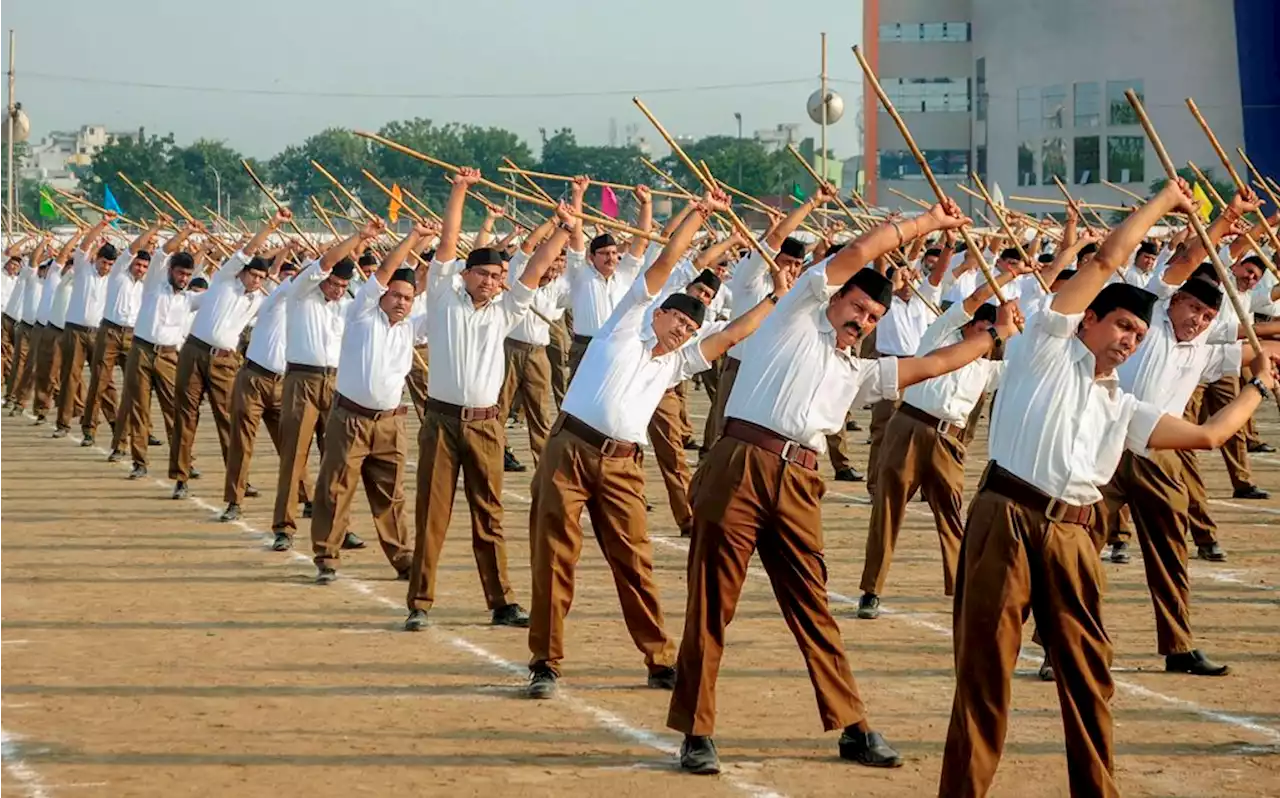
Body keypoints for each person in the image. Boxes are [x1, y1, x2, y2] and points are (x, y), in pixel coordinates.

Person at [938, 179, 1280, 798]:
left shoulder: (1122, 404)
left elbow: (1206, 436)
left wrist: (1260, 385)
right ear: (1088, 318)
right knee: (986, 674)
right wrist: (1168, 202)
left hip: (1074, 535)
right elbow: (1106, 261)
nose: (1128, 340)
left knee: (1090, 675)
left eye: (1137, 336)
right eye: (1121, 325)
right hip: (1007, 516)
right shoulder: (1046, 346)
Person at [668, 198, 1016, 775]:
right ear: (833, 298)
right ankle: (696, 731)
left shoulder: (857, 370)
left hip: (801, 484)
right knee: (712, 603)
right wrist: (926, 224)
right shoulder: (797, 314)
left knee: (814, 608)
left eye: (873, 317)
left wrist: (991, 337)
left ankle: (853, 726)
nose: (863, 320)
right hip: (740, 463)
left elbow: (928, 366)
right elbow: (859, 252)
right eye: (857, 307)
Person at [526, 189, 789, 698]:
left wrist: (776, 297)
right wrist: (699, 214)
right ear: (661, 313)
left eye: (691, 329)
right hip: (570, 450)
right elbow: (667, 258)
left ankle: (659, 657)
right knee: (555, 556)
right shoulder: (624, 326)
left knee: (635, 563)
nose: (682, 332)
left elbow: (732, 334)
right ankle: (546, 660)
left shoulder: (676, 361)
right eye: (678, 322)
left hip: (623, 466)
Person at [402, 168, 556, 630]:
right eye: (485, 274)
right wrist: (459, 190)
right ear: (465, 276)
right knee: (433, 512)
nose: (493, 281)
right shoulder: (444, 298)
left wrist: (563, 225)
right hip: (442, 422)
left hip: (486, 423)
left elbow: (534, 269)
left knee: (489, 513)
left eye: (497, 275)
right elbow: (447, 243)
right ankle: (420, 602)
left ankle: (502, 601)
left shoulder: (507, 310)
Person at [855, 262, 1025, 619]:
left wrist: (1020, 325)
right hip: (909, 427)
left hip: (949, 442)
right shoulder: (940, 335)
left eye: (993, 332)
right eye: (983, 327)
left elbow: (1030, 360)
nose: (988, 336)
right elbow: (974, 298)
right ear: (972, 326)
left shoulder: (989, 369)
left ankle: (962, 587)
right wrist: (1008, 276)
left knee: (951, 515)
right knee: (888, 508)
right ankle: (871, 589)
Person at [311, 222, 438, 582]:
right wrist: (413, 237)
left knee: (391, 495)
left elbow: (432, 285)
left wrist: (438, 246)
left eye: (407, 298)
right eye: (396, 295)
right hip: (350, 417)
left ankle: (402, 557)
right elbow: (384, 271)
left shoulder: (412, 326)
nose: (401, 302)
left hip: (391, 422)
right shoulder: (362, 313)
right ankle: (327, 557)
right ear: (381, 295)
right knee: (336, 489)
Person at [168, 212, 288, 499]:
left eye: (262, 277)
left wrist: (283, 254)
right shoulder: (224, 279)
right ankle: (181, 478)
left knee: (229, 420)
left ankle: (239, 481)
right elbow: (247, 252)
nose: (257, 280)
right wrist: (271, 226)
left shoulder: (259, 299)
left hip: (225, 361)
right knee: (186, 415)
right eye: (253, 274)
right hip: (194, 351)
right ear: (242, 272)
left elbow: (284, 290)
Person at [268, 225, 372, 551]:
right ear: (322, 279)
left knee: (338, 459)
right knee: (294, 456)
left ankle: (340, 527)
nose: (338, 290)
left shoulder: (345, 306)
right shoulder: (300, 294)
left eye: (344, 285)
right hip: (302, 380)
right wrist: (358, 237)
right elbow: (326, 261)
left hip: (337, 383)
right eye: (334, 283)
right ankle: (284, 526)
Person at [219, 248, 306, 521]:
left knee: (291, 446)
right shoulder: (276, 300)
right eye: (289, 278)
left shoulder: (308, 309)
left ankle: (307, 496)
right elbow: (298, 280)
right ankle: (234, 501)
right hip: (254, 380)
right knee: (242, 443)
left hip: (283, 385)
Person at [114, 223, 201, 479]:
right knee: (139, 407)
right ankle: (139, 462)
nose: (184, 278)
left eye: (188, 274)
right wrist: (185, 233)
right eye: (180, 273)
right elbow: (164, 251)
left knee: (174, 410)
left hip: (169, 356)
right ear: (171, 271)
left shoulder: (190, 298)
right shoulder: (153, 283)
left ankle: (185, 462)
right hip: (140, 350)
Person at [81, 219, 162, 449]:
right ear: (130, 263)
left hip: (134, 336)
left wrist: (154, 247)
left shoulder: (146, 284)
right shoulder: (118, 273)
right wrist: (153, 228)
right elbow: (134, 248)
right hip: (109, 332)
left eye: (145, 267)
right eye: (138, 265)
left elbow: (160, 262)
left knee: (138, 386)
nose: (141, 269)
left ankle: (144, 430)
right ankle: (89, 429)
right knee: (100, 382)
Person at [561, 178, 651, 381]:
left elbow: (641, 240)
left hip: (618, 346)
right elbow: (575, 237)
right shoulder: (580, 275)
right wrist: (578, 195)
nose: (611, 258)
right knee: (579, 404)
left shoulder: (625, 274)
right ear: (592, 257)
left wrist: (646, 204)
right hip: (585, 347)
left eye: (613, 253)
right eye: (604, 253)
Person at [498, 216, 569, 466]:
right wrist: (553, 222)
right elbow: (528, 244)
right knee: (500, 406)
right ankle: (499, 451)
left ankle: (544, 463)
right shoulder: (520, 275)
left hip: (538, 353)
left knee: (540, 411)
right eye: (550, 259)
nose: (554, 265)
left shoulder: (558, 287)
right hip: (510, 349)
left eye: (559, 261)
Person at [53, 214, 119, 438]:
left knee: (104, 380)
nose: (107, 267)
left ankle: (114, 423)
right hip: (75, 331)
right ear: (96, 259)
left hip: (100, 333)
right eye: (104, 262)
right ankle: (63, 424)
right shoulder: (83, 269)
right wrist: (101, 225)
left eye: (111, 264)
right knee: (70, 376)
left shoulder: (112, 278)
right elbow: (85, 245)